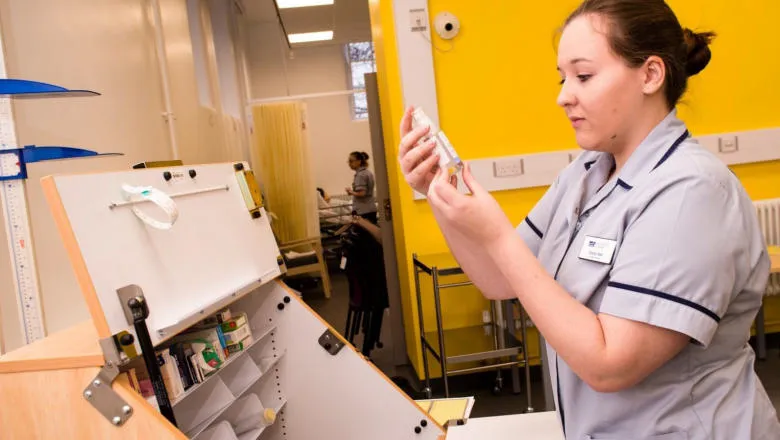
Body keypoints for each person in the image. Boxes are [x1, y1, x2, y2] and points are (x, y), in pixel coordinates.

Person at [397, 0, 780, 438]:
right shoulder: (585, 174)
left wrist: (499, 235)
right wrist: (438, 193)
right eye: (563, 78)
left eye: (583, 76)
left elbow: (610, 364)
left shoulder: (693, 192)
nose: (563, 95)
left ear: (650, 75)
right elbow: (499, 280)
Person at [346, 151, 378, 224]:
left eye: (351, 161)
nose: (349, 164)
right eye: (348, 161)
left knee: (363, 234)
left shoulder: (361, 175)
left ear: (359, 161)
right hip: (370, 209)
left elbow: (362, 193)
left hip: (363, 211)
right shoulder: (367, 172)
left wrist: (350, 191)